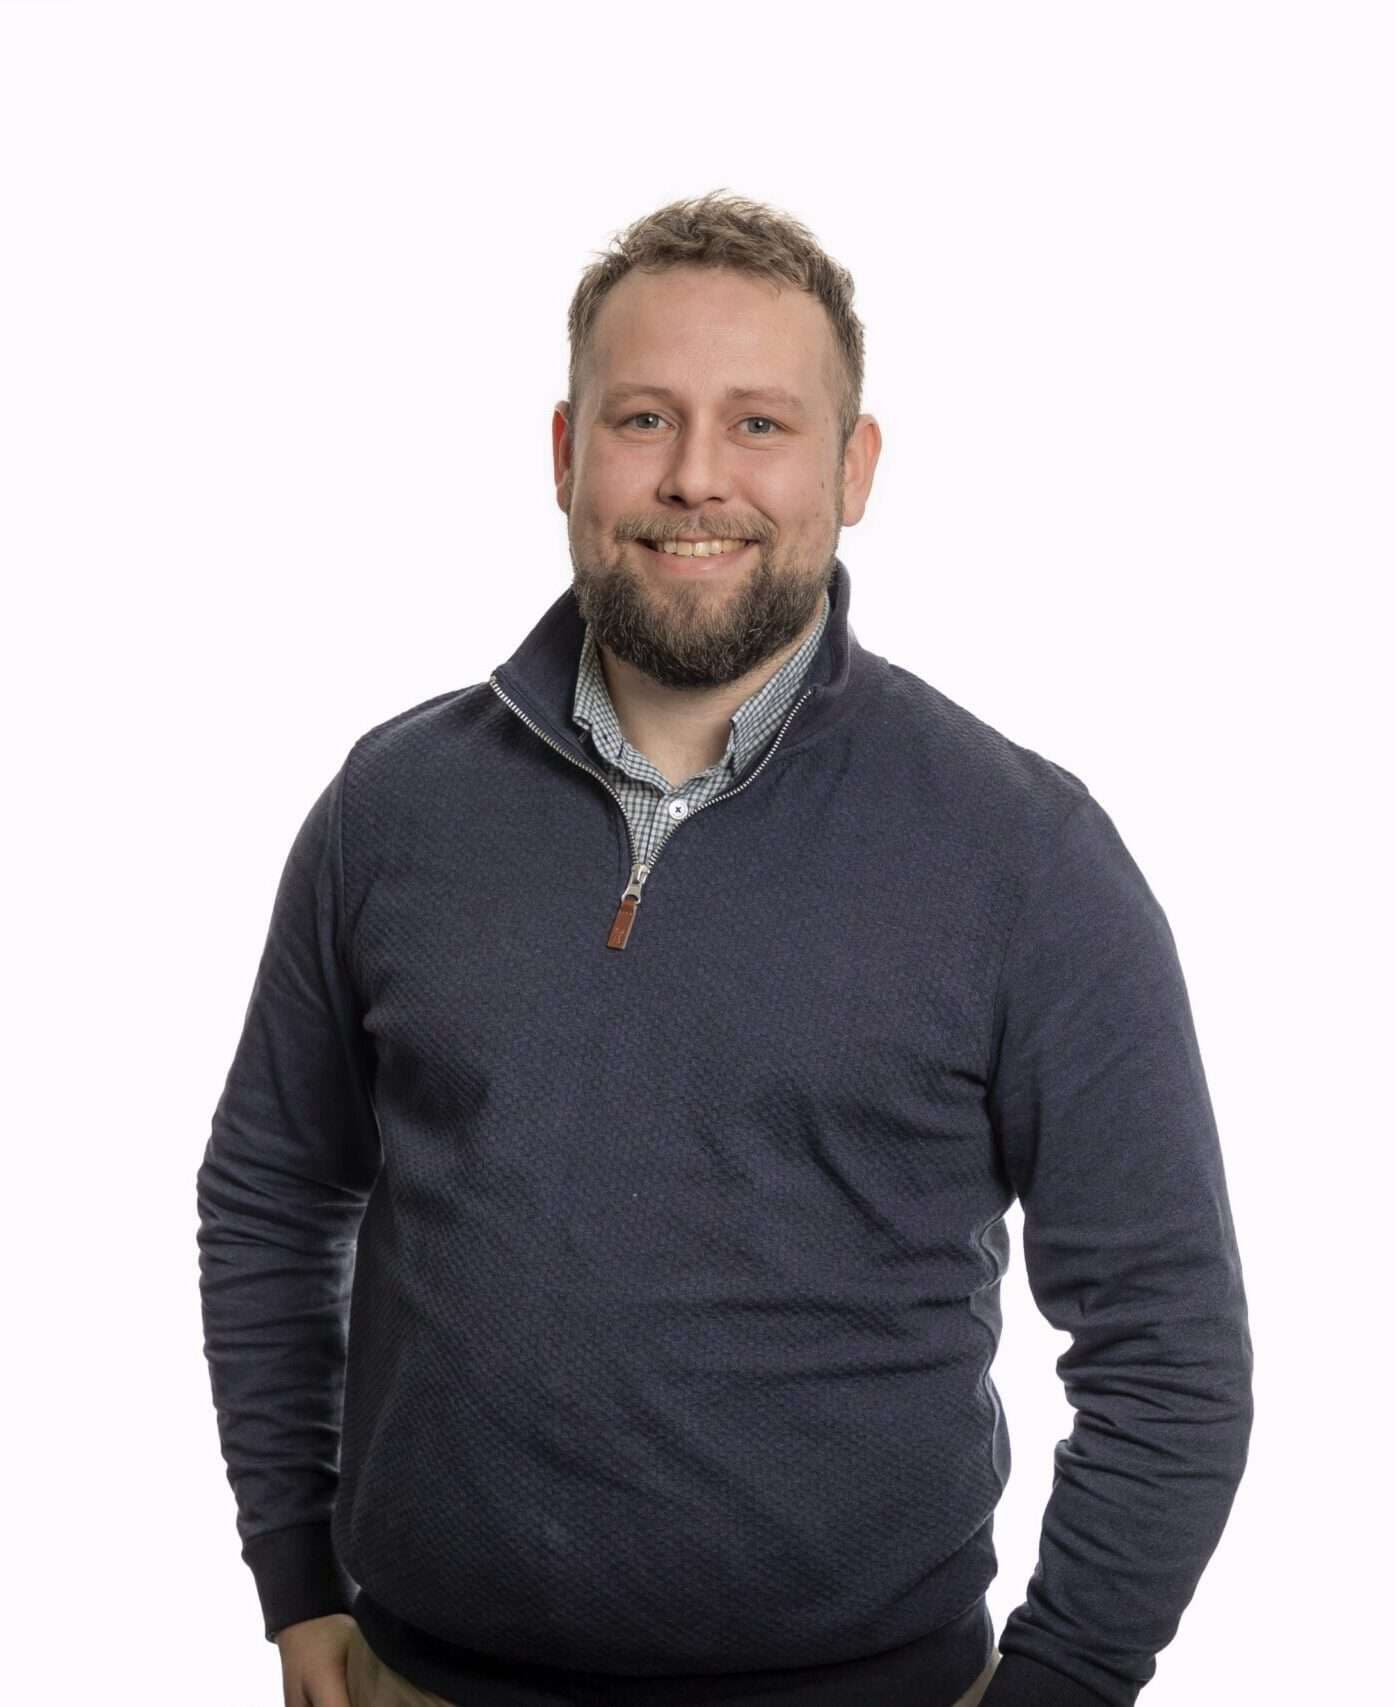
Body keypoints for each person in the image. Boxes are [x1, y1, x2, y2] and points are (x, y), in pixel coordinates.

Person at [196, 189, 1254, 1707]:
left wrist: (1063, 1684)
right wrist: (296, 1582)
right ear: (565, 452)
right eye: (644, 419)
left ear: (853, 467)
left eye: (760, 423)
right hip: (424, 1680)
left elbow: (1168, 1344)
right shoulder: (393, 806)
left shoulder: (1025, 853)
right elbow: (273, 1196)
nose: (696, 476)